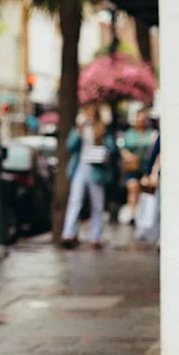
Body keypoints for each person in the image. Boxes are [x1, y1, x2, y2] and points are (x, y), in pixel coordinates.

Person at [61, 103, 117, 248]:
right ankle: (68, 234)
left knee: (97, 205)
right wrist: (78, 133)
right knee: (75, 201)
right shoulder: (80, 128)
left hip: (97, 169)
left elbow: (112, 148)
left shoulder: (103, 129)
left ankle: (95, 237)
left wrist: (102, 142)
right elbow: (70, 146)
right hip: (80, 167)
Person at [116, 108, 154, 225]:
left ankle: (146, 216)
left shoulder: (151, 133)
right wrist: (129, 156)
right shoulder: (129, 134)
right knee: (133, 187)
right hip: (133, 168)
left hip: (147, 167)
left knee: (147, 191)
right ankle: (133, 214)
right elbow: (122, 149)